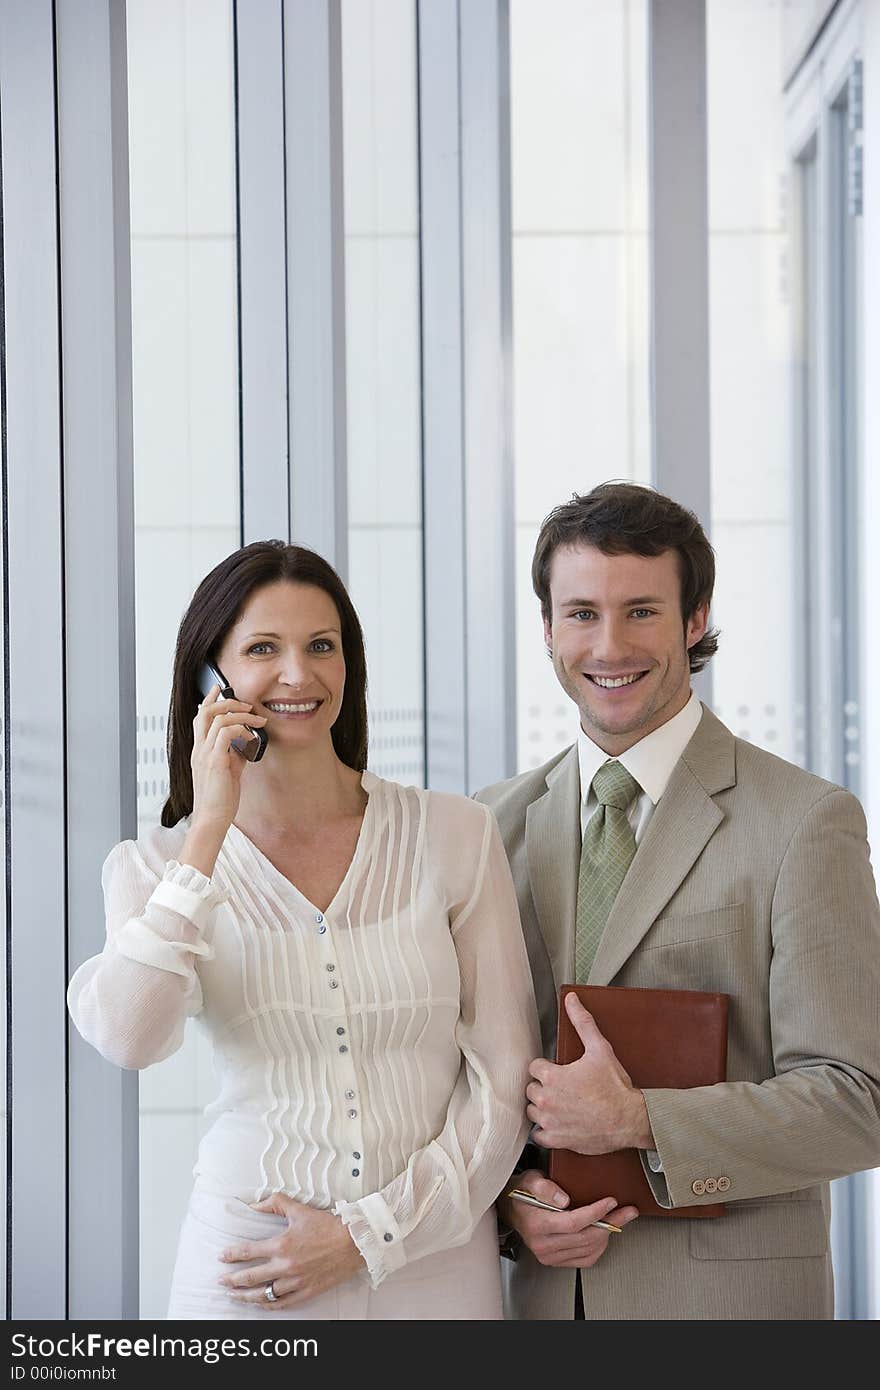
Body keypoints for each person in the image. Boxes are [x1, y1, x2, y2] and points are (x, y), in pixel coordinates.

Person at [68, 540, 539, 1320]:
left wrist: (371, 1235)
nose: (299, 674)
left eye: (322, 646)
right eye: (262, 649)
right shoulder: (154, 865)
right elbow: (129, 1040)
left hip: (435, 1261)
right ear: (208, 679)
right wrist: (207, 831)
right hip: (253, 1264)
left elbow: (503, 1075)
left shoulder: (456, 833)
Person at [477, 481, 880, 1320]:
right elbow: (465, 1079)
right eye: (581, 612)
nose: (610, 644)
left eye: (643, 612)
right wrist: (515, 1205)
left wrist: (640, 1119)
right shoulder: (491, 827)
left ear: (695, 622)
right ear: (547, 627)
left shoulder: (806, 822)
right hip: (544, 1305)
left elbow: (855, 1100)